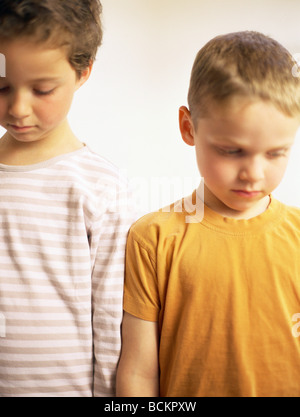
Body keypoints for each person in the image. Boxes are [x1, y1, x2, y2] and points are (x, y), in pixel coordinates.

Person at [116, 31, 300, 397]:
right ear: (189, 128)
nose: (253, 173)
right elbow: (138, 372)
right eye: (232, 151)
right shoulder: (152, 238)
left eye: (275, 153)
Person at [0, 0, 135, 397]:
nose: (18, 108)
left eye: (42, 89)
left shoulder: (101, 187)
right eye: (1, 85)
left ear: (83, 71)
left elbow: (111, 320)